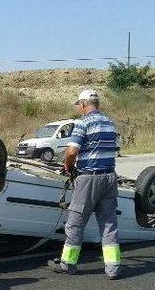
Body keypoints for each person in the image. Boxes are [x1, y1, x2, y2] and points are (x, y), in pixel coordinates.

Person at [47, 89, 122, 279]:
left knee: (75, 224)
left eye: (78, 105)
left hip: (89, 179)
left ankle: (68, 264)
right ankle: (113, 268)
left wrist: (68, 167)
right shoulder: (110, 123)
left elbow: (71, 152)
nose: (78, 109)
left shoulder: (82, 123)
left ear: (82, 104)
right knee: (108, 225)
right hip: (110, 178)